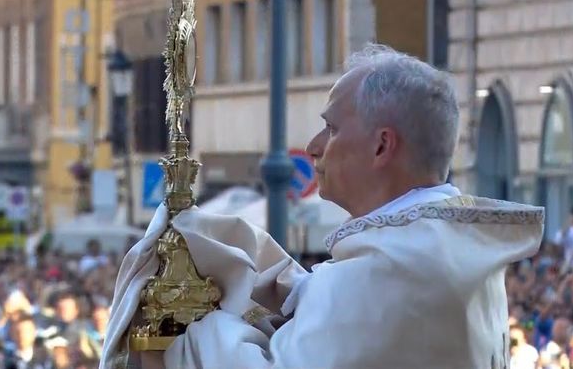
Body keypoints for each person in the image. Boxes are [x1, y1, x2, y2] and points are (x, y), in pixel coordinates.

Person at [102, 44, 545, 368]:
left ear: (381, 146)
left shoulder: (396, 268)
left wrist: (196, 327)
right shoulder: (441, 247)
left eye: (331, 128)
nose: (314, 147)